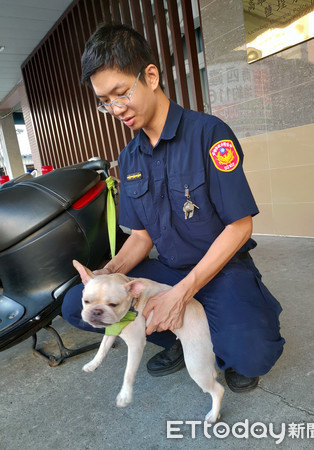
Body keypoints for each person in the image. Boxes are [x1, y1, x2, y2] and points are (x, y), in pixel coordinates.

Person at [62, 23, 285, 392]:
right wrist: (109, 272)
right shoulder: (130, 158)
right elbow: (141, 236)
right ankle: (179, 338)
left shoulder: (209, 134)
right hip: (165, 269)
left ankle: (219, 329)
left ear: (150, 76)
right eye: (105, 102)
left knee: (251, 357)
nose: (116, 109)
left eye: (120, 94)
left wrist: (180, 293)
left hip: (220, 269)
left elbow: (239, 226)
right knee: (78, 304)